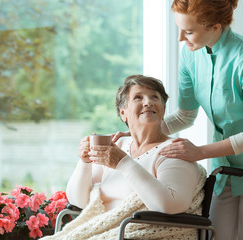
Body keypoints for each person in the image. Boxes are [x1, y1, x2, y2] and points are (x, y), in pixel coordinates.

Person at [114, 1, 243, 240]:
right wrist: (138, 131)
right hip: (224, 168)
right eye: (179, 29)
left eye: (189, 32)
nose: (181, 38)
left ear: (216, 26)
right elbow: (185, 115)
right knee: (213, 235)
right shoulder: (190, 56)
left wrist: (199, 152)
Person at [42, 74, 207, 240]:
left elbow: (171, 205)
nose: (148, 102)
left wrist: (123, 163)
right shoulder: (116, 145)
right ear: (123, 113)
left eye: (154, 97)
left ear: (163, 110)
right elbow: (79, 200)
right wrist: (84, 162)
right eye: (138, 97)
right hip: (103, 233)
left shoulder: (175, 150)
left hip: (139, 234)